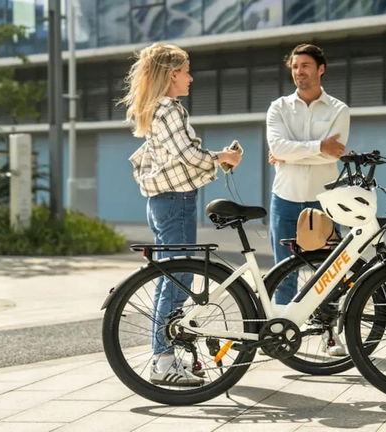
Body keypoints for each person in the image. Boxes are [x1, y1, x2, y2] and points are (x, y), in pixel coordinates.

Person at [121, 43, 242, 386]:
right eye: (186, 72)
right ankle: (163, 360)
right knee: (178, 278)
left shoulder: (156, 109)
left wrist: (216, 157)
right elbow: (188, 155)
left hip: (164, 201)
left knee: (170, 277)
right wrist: (223, 158)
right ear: (172, 74)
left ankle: (166, 354)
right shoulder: (169, 110)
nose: (191, 78)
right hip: (175, 201)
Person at [266, 43, 350, 355]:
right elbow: (278, 147)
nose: (299, 72)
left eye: (305, 66)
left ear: (320, 69)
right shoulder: (278, 108)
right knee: (283, 271)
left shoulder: (339, 109)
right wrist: (317, 147)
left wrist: (291, 153)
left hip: (324, 201)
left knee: (328, 272)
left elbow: (334, 153)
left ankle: (330, 335)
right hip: (285, 198)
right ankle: (284, 333)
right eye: (295, 67)